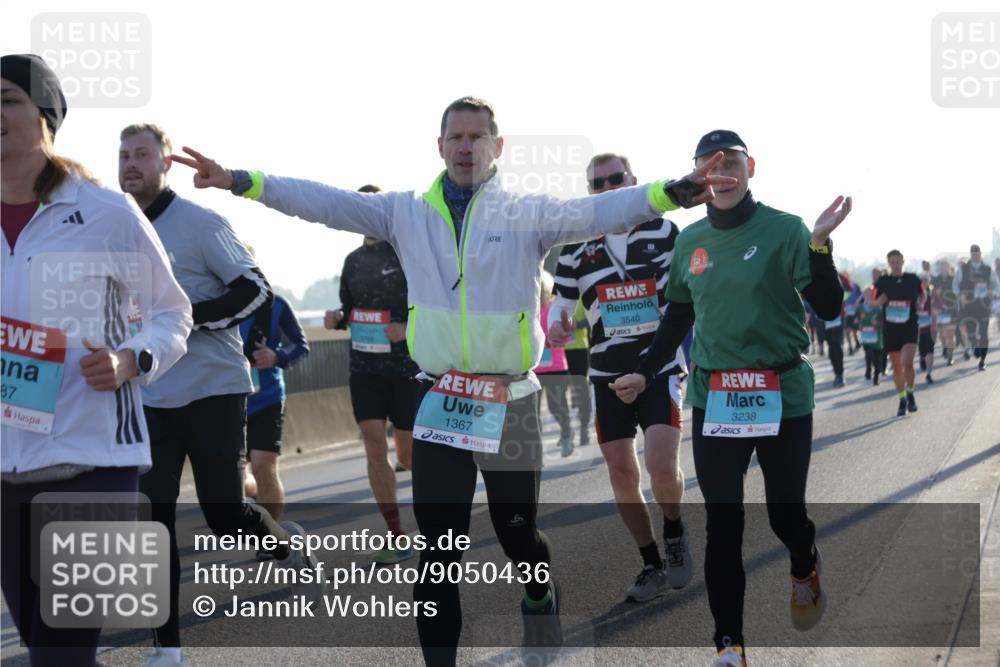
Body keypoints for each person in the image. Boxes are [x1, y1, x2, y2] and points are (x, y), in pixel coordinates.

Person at [170, 96, 735, 667]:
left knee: (519, 536)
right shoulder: (404, 211)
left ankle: (539, 592)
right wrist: (242, 180)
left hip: (509, 398)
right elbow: (324, 203)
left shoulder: (525, 211)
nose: (466, 147)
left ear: (498, 146)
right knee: (438, 553)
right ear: (439, 147)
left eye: (477, 137)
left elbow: (595, 213)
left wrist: (671, 192)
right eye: (456, 138)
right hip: (440, 398)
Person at [610, 129, 851, 666]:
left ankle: (803, 560)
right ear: (699, 173)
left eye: (732, 162)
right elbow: (678, 314)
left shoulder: (786, 230)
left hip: (782, 392)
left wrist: (819, 244)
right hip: (717, 396)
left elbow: (830, 307)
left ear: (750, 168)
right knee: (724, 521)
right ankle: (729, 645)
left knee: (785, 516)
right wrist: (646, 372)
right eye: (709, 163)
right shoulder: (690, 242)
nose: (721, 172)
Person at [1, 54, 192, 667]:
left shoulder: (106, 213)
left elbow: (172, 313)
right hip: (6, 466)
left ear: (47, 116)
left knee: (60, 651)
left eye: (7, 99)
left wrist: (131, 359)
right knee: (39, 643)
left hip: (96, 460)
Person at [117, 123, 325, 667]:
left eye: (143, 154)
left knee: (225, 513)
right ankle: (167, 648)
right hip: (149, 396)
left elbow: (256, 288)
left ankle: (286, 544)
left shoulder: (201, 223)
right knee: (152, 515)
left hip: (213, 390)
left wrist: (184, 322)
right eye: (124, 155)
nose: (131, 163)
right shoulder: (111, 227)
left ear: (166, 164)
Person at [547, 151, 692, 602]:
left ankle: (673, 529)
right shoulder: (576, 243)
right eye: (598, 184)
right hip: (607, 373)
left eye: (615, 180)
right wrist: (557, 324)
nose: (607, 190)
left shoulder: (666, 232)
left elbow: (681, 303)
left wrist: (649, 367)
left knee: (661, 466)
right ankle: (650, 563)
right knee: (622, 475)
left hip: (660, 366)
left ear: (633, 181)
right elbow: (560, 305)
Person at [324, 184, 420, 564]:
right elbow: (350, 308)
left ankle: (443, 508)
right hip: (364, 368)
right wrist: (336, 319)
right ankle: (395, 534)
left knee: (410, 457)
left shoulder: (405, 253)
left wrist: (407, 329)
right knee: (373, 444)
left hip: (405, 369)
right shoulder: (352, 260)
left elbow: (431, 303)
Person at [238, 246, 310, 529]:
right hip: (228, 401)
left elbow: (301, 346)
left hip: (267, 398)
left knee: (264, 467)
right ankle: (253, 492)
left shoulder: (276, 304)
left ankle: (270, 536)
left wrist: (277, 357)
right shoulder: (213, 303)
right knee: (239, 480)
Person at [873, 250, 925, 416]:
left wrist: (920, 303)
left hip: (909, 325)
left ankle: (910, 392)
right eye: (892, 262)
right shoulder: (882, 281)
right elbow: (872, 301)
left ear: (903, 261)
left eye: (898, 261)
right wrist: (878, 302)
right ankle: (902, 398)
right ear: (889, 263)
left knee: (908, 362)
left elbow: (923, 294)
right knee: (897, 367)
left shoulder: (913, 279)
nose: (896, 264)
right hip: (891, 329)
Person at [536, 271, 573, 456]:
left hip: (556, 367)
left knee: (556, 406)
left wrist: (551, 340)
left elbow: (569, 336)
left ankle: (567, 434)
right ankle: (535, 449)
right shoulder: (529, 310)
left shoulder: (554, 309)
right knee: (532, 412)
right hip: (533, 369)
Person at [953, 244, 998, 371]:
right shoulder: (963, 269)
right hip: (968, 305)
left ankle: (982, 361)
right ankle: (974, 344)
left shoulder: (988, 269)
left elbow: (996, 285)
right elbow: (955, 285)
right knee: (971, 332)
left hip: (984, 305)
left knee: (984, 333)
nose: (975, 255)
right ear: (970, 255)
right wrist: (960, 296)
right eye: (973, 253)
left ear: (980, 254)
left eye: (977, 253)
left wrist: (993, 293)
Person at [562, 300, 593, 450]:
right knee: (559, 392)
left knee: (581, 389)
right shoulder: (554, 298)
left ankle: (584, 428)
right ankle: (566, 429)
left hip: (579, 349)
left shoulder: (581, 297)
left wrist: (577, 325)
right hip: (558, 351)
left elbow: (593, 317)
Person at [932, 259, 958, 366]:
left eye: (946, 267)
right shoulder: (935, 280)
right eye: (943, 268)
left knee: (950, 335)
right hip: (939, 310)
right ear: (940, 269)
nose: (944, 269)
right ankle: (944, 347)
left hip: (951, 310)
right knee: (942, 335)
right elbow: (930, 294)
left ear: (949, 268)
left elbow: (957, 293)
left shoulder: (953, 279)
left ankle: (950, 357)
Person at [858, 286, 884, 384]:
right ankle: (868, 368)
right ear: (863, 295)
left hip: (877, 337)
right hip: (866, 336)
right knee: (868, 354)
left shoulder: (878, 308)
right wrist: (858, 325)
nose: (868, 296)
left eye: (870, 294)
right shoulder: (860, 307)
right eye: (866, 294)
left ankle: (876, 375)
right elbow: (855, 320)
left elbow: (884, 321)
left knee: (877, 358)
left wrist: (877, 324)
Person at [917, 274, 936, 383]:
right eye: (922, 280)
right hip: (918, 328)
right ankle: (922, 357)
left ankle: (929, 373)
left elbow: (941, 305)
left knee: (930, 349)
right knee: (922, 350)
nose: (924, 282)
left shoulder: (933, 294)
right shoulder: (915, 295)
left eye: (926, 280)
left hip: (931, 327)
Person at [841, 272, 862, 354]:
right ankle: (850, 347)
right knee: (847, 330)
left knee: (854, 330)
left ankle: (857, 342)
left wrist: (858, 304)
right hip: (846, 312)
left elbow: (861, 296)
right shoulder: (842, 287)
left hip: (855, 311)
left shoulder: (855, 285)